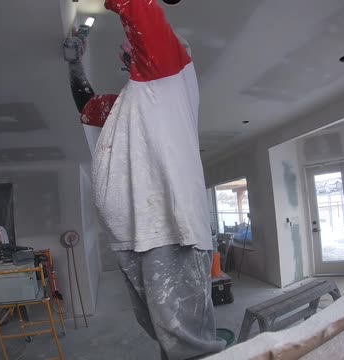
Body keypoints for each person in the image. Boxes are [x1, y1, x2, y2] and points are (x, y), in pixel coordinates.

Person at [64, 1, 225, 359]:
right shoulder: (128, 106)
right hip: (134, 237)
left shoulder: (171, 73)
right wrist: (75, 63)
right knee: (165, 336)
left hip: (171, 229)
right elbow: (87, 106)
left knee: (190, 347)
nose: (129, 47)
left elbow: (140, 11)